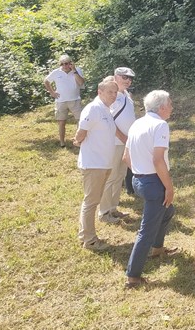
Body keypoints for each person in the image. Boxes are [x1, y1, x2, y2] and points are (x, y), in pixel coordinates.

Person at [124, 90, 177, 288]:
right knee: (146, 229)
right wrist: (169, 188)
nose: (172, 107)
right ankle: (133, 276)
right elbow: (158, 160)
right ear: (162, 107)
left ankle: (157, 248)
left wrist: (139, 172)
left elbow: (125, 157)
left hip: (139, 180)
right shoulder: (160, 125)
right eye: (170, 104)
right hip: (153, 182)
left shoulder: (138, 123)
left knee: (168, 211)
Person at [73, 76, 119, 251]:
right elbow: (81, 132)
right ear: (100, 92)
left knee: (93, 201)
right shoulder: (93, 108)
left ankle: (85, 234)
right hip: (94, 164)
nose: (113, 95)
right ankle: (90, 240)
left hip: (104, 163)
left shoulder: (106, 109)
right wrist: (77, 141)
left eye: (115, 92)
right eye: (110, 92)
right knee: (91, 202)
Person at [98, 67, 137, 225]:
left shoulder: (126, 94)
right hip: (115, 142)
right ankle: (104, 212)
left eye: (130, 78)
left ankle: (113, 208)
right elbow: (108, 120)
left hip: (125, 143)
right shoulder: (111, 95)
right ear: (116, 77)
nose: (128, 80)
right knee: (111, 177)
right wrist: (123, 138)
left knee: (119, 176)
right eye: (124, 77)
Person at [44, 54, 85, 147]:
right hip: (60, 101)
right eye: (62, 64)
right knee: (61, 122)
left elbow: (81, 82)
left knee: (80, 120)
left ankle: (78, 140)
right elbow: (46, 81)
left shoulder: (77, 70)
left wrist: (74, 70)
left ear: (71, 63)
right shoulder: (56, 72)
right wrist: (52, 92)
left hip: (75, 100)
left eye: (66, 63)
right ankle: (62, 142)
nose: (64, 66)